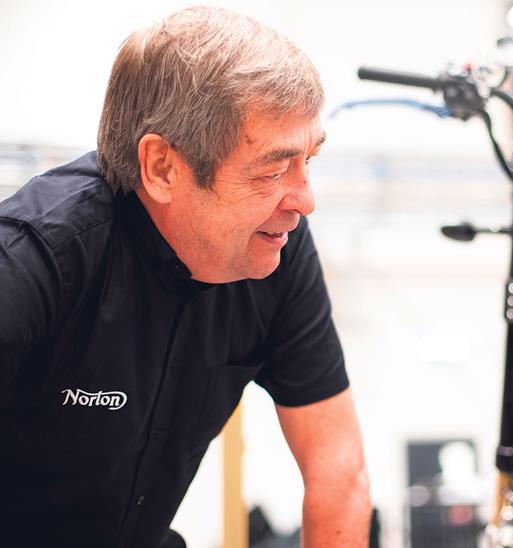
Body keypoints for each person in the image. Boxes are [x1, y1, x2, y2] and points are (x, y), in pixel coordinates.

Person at [0, 6, 370, 547]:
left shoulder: (276, 253)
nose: (305, 200)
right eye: (272, 168)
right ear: (163, 168)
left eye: (308, 161)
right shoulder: (36, 258)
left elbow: (339, 471)